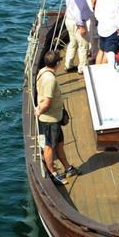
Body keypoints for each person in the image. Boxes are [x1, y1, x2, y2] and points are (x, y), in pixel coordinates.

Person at [36, 50, 76, 184]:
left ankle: (67, 168)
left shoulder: (43, 71)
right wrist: (39, 111)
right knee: (49, 146)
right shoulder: (50, 80)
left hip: (55, 118)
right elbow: (47, 103)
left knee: (59, 143)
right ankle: (53, 174)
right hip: (50, 121)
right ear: (57, 63)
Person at [63, 0, 93, 72]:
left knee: (73, 43)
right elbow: (77, 12)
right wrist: (81, 26)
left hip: (69, 20)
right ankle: (82, 67)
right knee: (83, 45)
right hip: (77, 23)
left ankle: (68, 64)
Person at [94, 0, 119, 65]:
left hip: (101, 28)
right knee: (108, 53)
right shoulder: (118, 1)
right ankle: (103, 72)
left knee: (101, 50)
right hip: (111, 30)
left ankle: (97, 70)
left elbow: (96, 14)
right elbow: (118, 19)